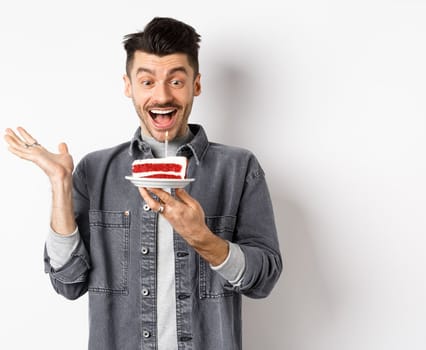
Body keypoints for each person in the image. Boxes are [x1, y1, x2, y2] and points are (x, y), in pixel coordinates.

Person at [4, 17, 282, 350]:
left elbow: (263, 279)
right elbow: (68, 284)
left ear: (196, 84)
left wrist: (203, 238)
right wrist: (60, 184)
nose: (162, 96)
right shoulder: (96, 170)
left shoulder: (239, 168)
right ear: (128, 86)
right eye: (147, 81)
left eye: (176, 81)